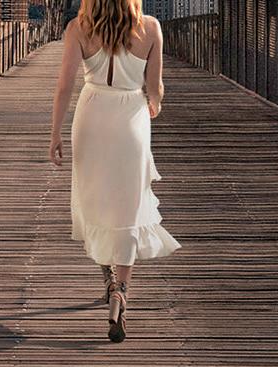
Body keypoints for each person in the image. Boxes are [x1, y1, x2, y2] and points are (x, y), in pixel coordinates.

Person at [48, 0, 180, 343]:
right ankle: (121, 289)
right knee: (127, 206)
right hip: (130, 119)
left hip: (91, 115)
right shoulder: (151, 28)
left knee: (96, 201)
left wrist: (55, 134)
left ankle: (107, 275)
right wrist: (155, 103)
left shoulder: (78, 28)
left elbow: (64, 86)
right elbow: (155, 87)